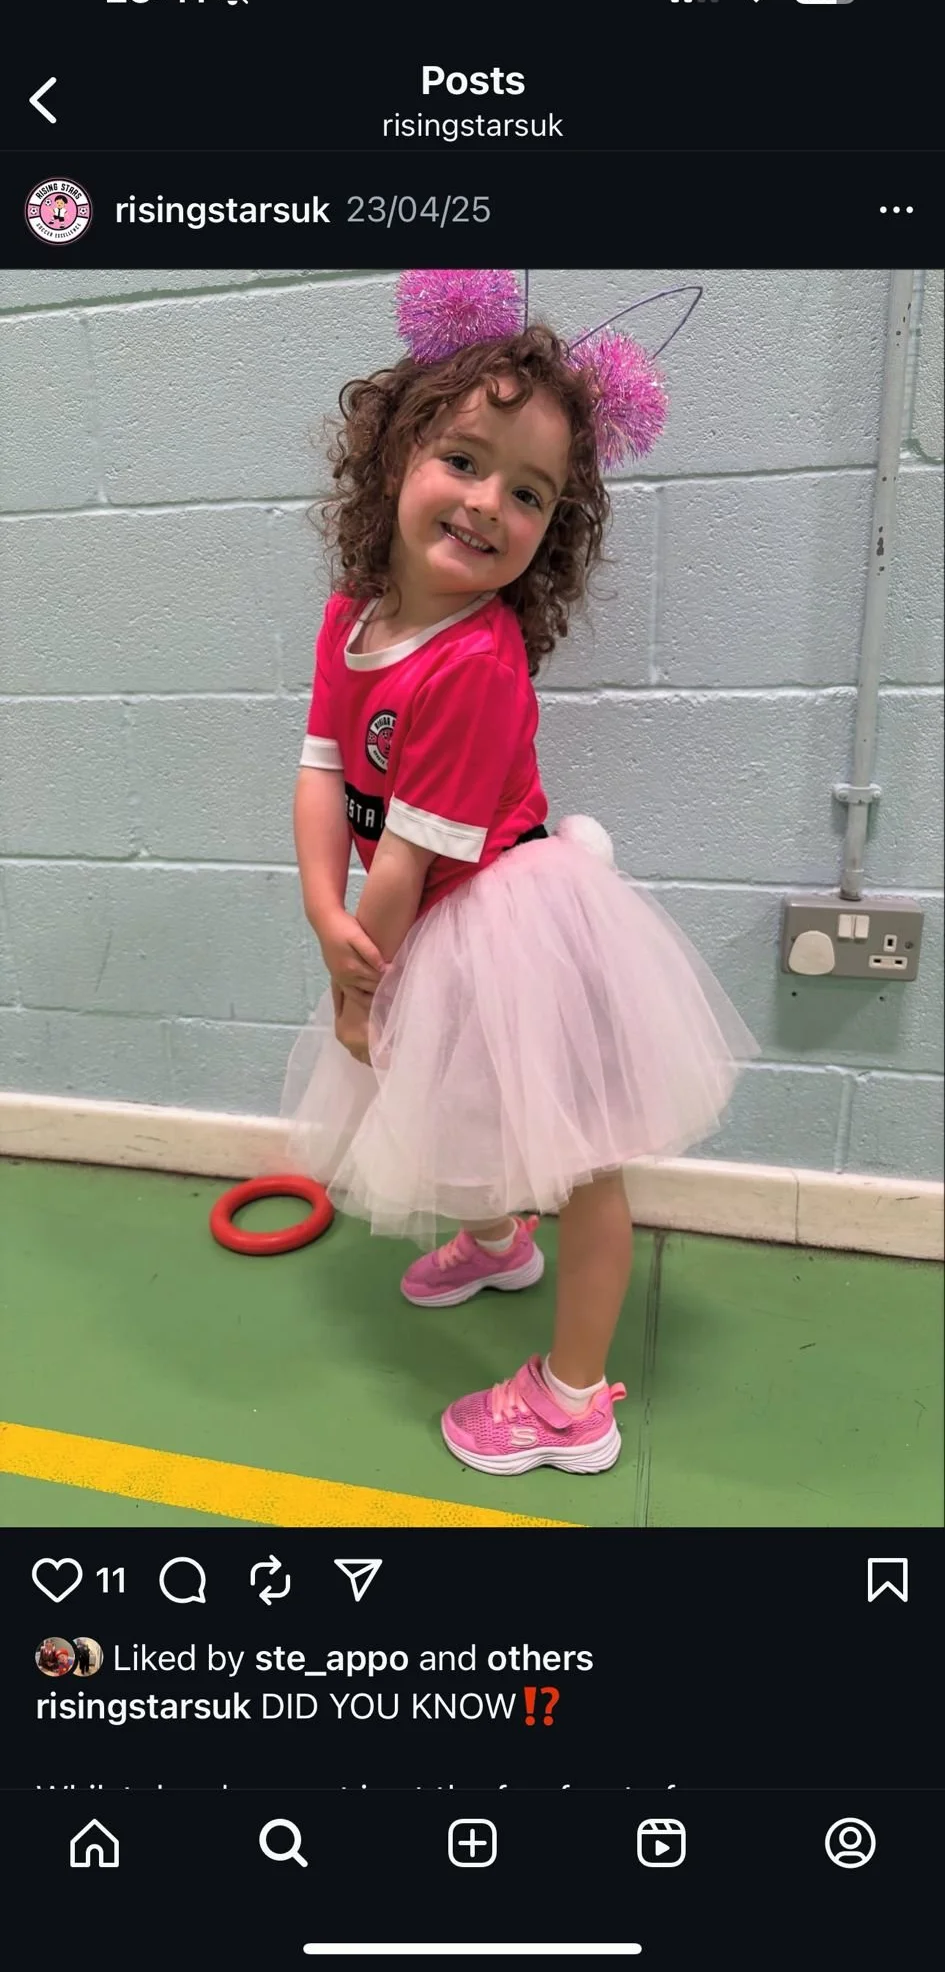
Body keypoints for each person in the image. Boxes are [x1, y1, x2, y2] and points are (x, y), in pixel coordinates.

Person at [281, 270, 758, 1478]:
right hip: (420, 911)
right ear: (393, 458)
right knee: (472, 1102)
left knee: (581, 1152)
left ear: (553, 530)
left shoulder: (477, 664)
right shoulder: (359, 613)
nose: (491, 501)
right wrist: (323, 914)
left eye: (531, 492)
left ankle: (573, 1397)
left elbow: (412, 852)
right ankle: (499, 1238)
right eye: (464, 458)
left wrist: (354, 977)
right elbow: (325, 773)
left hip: (504, 916)